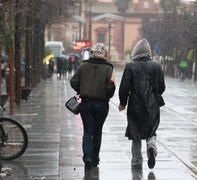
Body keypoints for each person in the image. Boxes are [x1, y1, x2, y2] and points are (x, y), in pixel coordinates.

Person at [118, 39, 165, 169]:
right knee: (151, 131)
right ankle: (151, 148)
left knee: (136, 133)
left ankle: (137, 161)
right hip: (152, 106)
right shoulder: (156, 65)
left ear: (136, 52)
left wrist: (123, 103)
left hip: (135, 106)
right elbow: (162, 87)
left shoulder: (131, 66)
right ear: (148, 52)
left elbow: (124, 88)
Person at [70, 43, 116, 171]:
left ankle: (88, 157)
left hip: (86, 103)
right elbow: (110, 87)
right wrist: (107, 94)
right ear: (104, 53)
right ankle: (95, 158)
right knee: (97, 131)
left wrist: (81, 89)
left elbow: (73, 81)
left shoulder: (83, 66)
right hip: (101, 104)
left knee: (88, 130)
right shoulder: (109, 68)